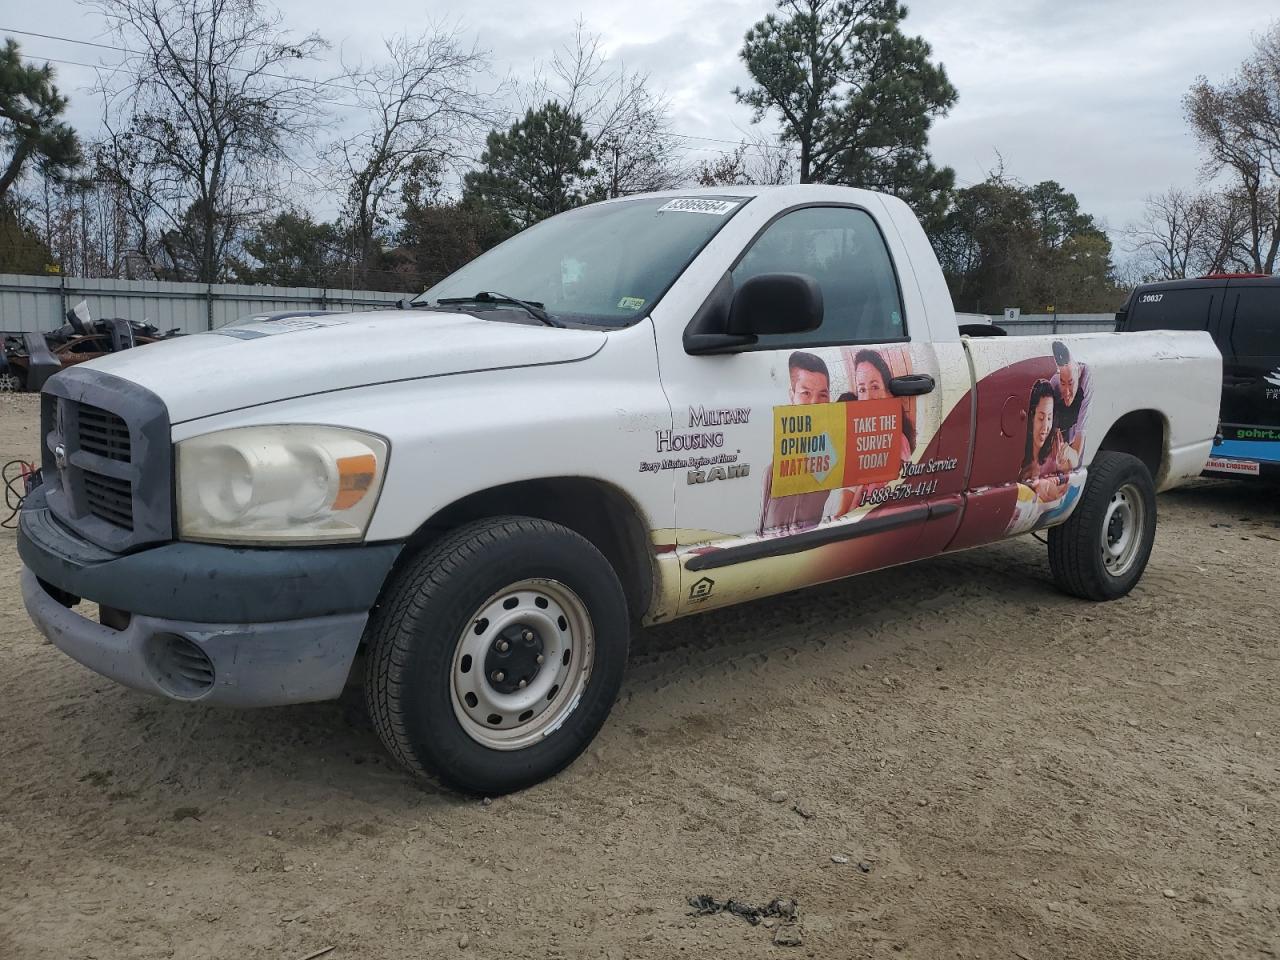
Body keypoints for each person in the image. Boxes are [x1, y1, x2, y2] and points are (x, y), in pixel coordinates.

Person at [759, 352, 833, 535]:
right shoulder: (772, 470)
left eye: (822, 395)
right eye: (805, 393)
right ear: (792, 396)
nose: (815, 403)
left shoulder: (831, 457)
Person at [1019, 379, 1069, 503]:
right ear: (1031, 417)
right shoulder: (1019, 450)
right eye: (1041, 418)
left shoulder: (1055, 443)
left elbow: (1069, 476)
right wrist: (1035, 487)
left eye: (1049, 418)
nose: (1046, 427)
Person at [1050, 341, 1090, 468]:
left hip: (1075, 434)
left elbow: (1077, 456)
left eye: (1071, 383)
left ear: (1078, 373)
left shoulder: (1086, 382)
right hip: (1061, 430)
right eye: (1063, 383)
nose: (1066, 392)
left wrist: (1070, 454)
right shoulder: (1054, 383)